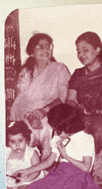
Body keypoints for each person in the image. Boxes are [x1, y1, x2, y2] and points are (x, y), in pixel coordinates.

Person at [13, 104, 102, 189]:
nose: (57, 134)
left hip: (77, 175)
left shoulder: (85, 139)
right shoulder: (58, 138)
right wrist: (27, 170)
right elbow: (49, 161)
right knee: (36, 186)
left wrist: (66, 155)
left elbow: (86, 167)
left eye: (59, 131)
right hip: (59, 173)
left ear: (70, 126)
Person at [67, 31, 102, 187]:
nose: (80, 54)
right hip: (83, 114)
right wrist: (79, 107)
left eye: (85, 50)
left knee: (99, 127)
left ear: (98, 50)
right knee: (71, 127)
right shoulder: (78, 73)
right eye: (78, 50)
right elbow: (70, 99)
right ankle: (75, 175)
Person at [10, 33, 71, 161]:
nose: (45, 50)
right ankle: (30, 167)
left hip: (53, 111)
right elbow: (19, 102)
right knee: (24, 131)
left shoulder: (59, 69)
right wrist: (29, 116)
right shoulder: (26, 72)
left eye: (48, 46)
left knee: (47, 128)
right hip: (28, 114)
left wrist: (44, 110)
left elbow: (63, 98)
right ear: (32, 53)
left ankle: (46, 165)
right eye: (40, 47)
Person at [6, 121, 44, 189]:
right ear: (7, 142)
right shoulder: (6, 152)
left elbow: (37, 171)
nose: (17, 145)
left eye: (20, 140)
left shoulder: (31, 153)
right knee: (5, 187)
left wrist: (26, 179)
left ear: (26, 139)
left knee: (24, 187)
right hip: (10, 177)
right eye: (12, 142)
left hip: (28, 177)